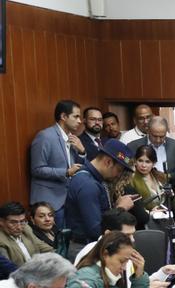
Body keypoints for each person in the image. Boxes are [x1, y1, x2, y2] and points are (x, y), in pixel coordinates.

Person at [72, 208, 175, 288]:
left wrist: (163, 273)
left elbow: (131, 285)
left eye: (133, 234)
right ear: (108, 234)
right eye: (127, 235)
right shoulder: (90, 254)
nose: (133, 240)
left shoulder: (123, 251)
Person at [65, 139, 138, 252]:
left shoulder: (94, 180)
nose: (118, 175)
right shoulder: (88, 185)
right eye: (119, 170)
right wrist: (120, 209)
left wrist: (116, 206)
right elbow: (96, 229)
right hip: (85, 248)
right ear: (108, 162)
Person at [30, 99, 86, 228]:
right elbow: (37, 169)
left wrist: (82, 151)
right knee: (55, 243)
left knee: (67, 240)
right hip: (49, 203)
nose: (79, 121)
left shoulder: (72, 138)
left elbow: (79, 166)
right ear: (63, 116)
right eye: (76, 116)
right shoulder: (45, 136)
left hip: (68, 200)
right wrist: (66, 172)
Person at [0, 202, 53, 266]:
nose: (19, 227)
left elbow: (44, 248)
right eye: (13, 222)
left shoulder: (26, 228)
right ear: (1, 222)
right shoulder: (1, 242)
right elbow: (8, 269)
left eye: (22, 221)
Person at [125, 145, 168, 214]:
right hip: (143, 219)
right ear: (135, 161)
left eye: (147, 162)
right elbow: (133, 207)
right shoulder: (131, 179)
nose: (143, 165)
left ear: (154, 163)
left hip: (162, 217)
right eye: (140, 161)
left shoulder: (159, 176)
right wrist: (150, 212)